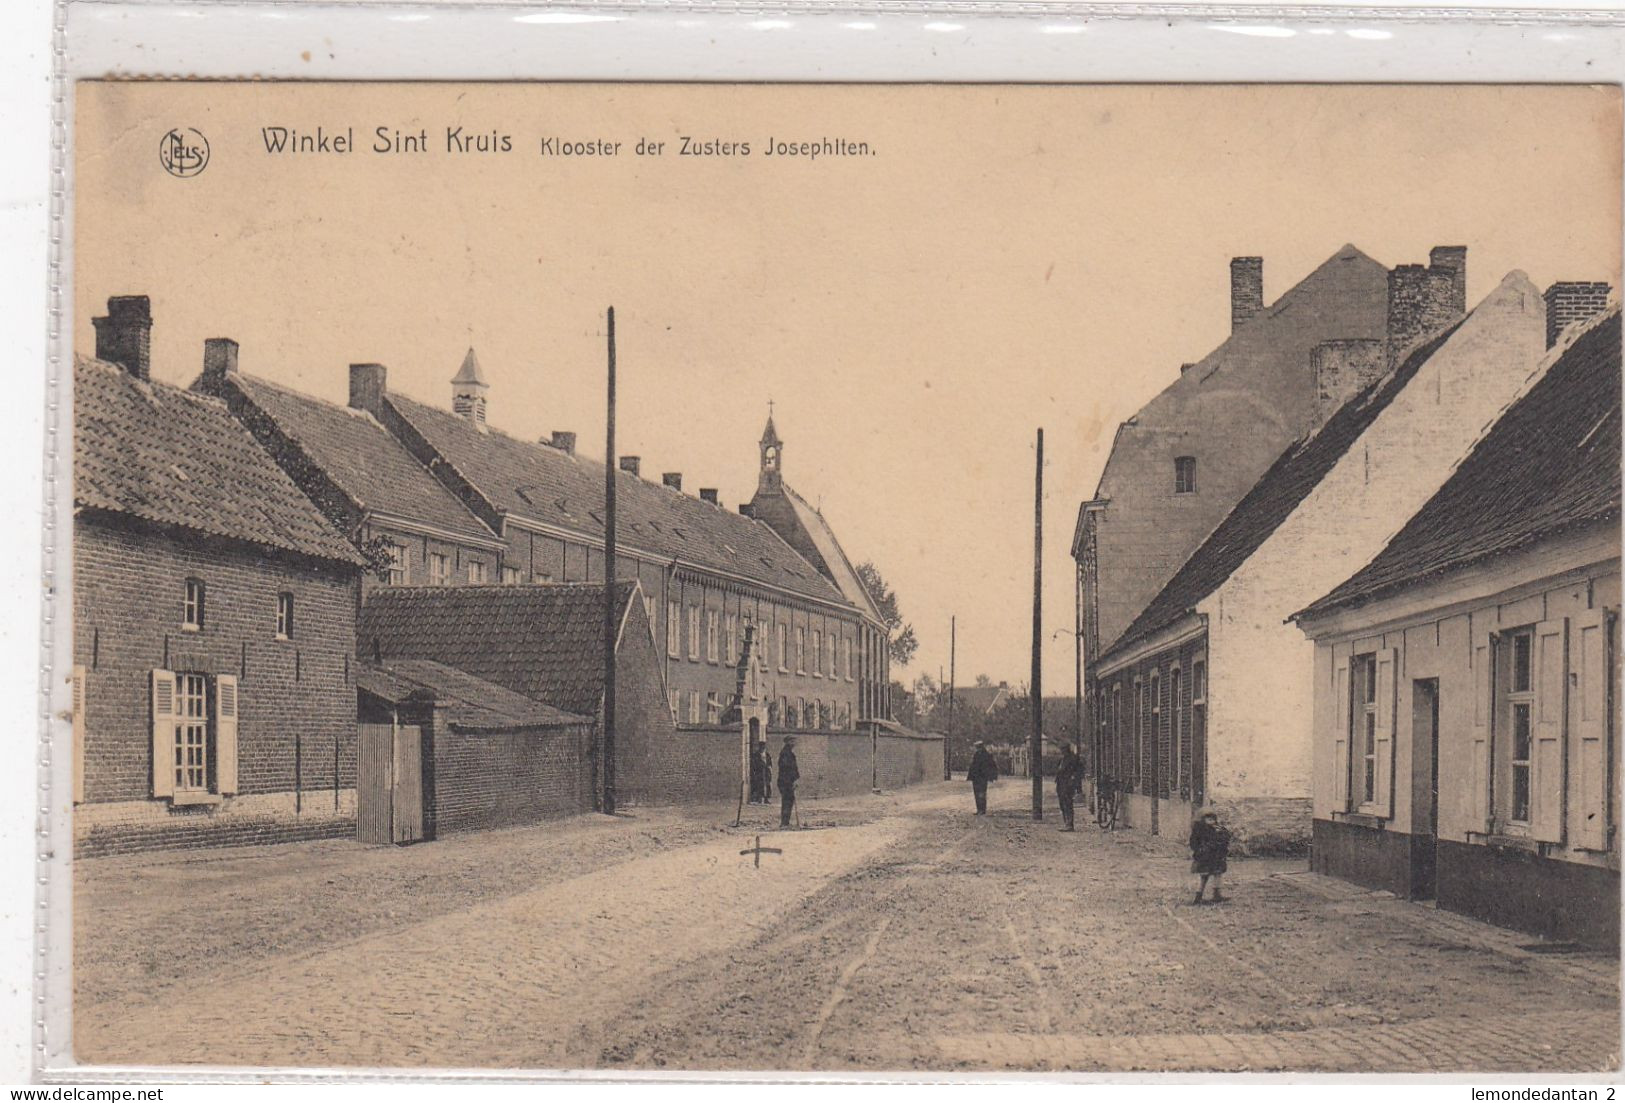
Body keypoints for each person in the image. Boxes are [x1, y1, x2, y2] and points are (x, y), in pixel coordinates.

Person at [1189, 807, 1231, 904]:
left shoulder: (1218, 829)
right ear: (1202, 820)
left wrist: (1222, 831)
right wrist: (1199, 850)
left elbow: (1226, 838)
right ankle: (1198, 896)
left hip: (1216, 857)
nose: (1211, 821)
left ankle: (1217, 895)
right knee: (1204, 876)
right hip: (1205, 858)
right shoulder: (1199, 831)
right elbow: (1193, 843)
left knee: (1218, 874)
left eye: (1213, 819)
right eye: (1208, 819)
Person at [1055, 741, 1083, 831]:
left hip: (1068, 785)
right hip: (1061, 784)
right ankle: (1066, 823)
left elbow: (1078, 771)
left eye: (1063, 749)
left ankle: (1069, 824)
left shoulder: (1073, 758)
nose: (1062, 751)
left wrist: (1074, 782)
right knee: (1062, 804)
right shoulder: (1062, 759)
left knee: (1068, 803)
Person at [967, 740, 997, 815]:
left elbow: (992, 766)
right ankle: (979, 809)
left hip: (982, 777)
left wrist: (991, 776)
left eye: (978, 747)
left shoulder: (987, 755)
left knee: (982, 793)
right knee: (977, 793)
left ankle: (982, 810)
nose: (977, 749)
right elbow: (973, 766)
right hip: (976, 778)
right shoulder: (976, 754)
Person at [777, 737, 800, 828]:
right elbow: (787, 768)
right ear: (788, 742)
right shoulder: (785, 754)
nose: (794, 743)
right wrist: (792, 780)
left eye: (794, 741)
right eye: (792, 741)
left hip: (787, 781)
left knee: (788, 801)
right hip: (786, 782)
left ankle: (786, 822)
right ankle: (784, 822)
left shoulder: (788, 753)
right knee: (787, 801)